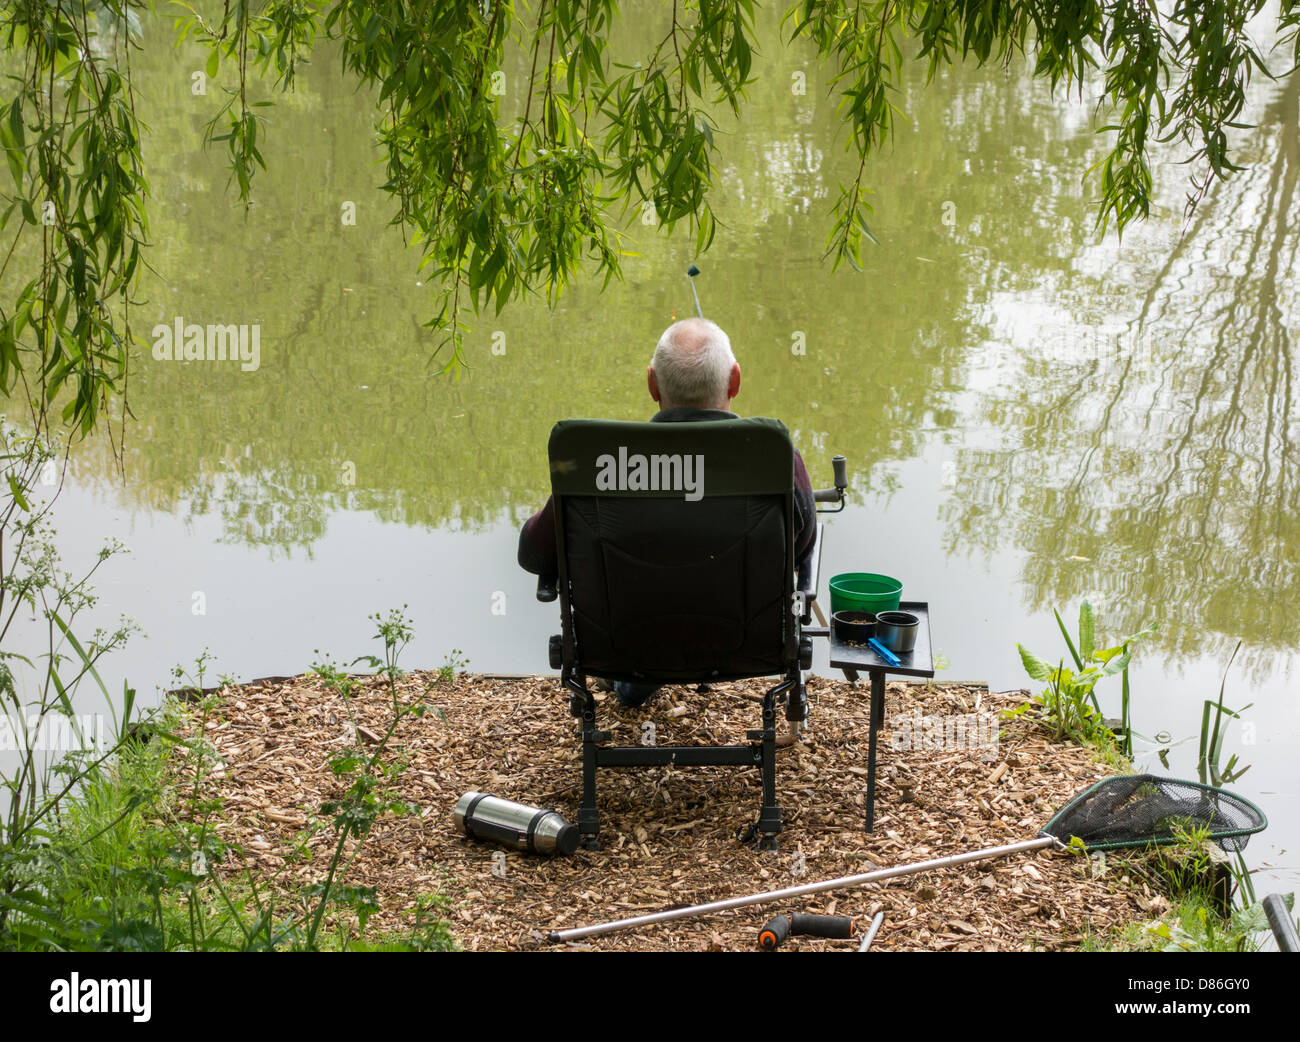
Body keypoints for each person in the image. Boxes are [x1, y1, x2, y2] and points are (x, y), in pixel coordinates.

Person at [518, 317, 816, 706]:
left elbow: (533, 554)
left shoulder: (601, 463)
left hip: (618, 646)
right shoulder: (776, 459)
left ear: (652, 384)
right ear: (736, 381)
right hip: (745, 645)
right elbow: (802, 545)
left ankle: (640, 677)